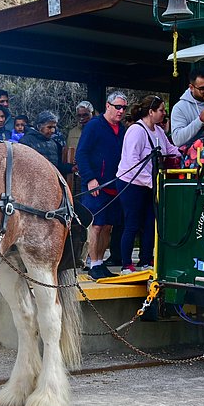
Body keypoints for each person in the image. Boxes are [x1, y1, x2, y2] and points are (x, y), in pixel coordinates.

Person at [116, 95, 182, 274]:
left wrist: (184, 153)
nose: (163, 113)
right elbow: (131, 161)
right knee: (132, 223)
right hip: (131, 183)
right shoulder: (136, 130)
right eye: (161, 110)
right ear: (151, 112)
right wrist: (151, 181)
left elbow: (169, 149)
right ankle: (126, 264)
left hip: (149, 184)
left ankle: (146, 260)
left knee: (149, 222)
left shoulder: (158, 131)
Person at [75, 91, 127, 279]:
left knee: (107, 226)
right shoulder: (94, 126)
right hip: (95, 184)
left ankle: (99, 262)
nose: (120, 111)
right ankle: (93, 263)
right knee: (95, 225)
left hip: (114, 184)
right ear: (108, 106)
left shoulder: (122, 130)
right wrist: (90, 178)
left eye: (123, 108)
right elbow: (81, 154)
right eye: (117, 107)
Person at [18, 111, 74, 176]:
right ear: (39, 127)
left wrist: (71, 168)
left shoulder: (54, 144)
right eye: (49, 127)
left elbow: (57, 167)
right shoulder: (26, 141)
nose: (53, 131)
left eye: (54, 127)